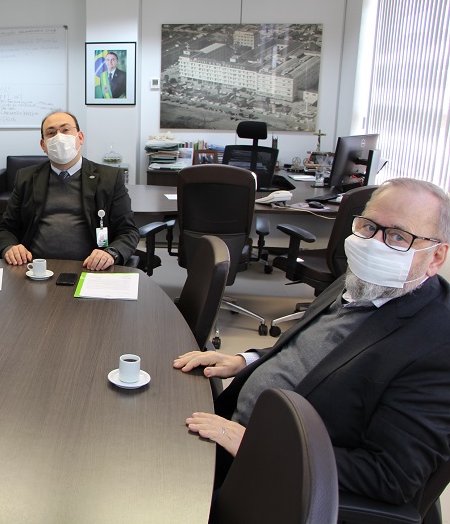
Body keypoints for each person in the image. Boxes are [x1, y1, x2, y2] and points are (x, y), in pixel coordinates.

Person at [174, 178, 450, 507]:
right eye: (368, 227)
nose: (374, 244)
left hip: (270, 475)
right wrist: (245, 360)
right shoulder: (361, 280)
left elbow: (392, 477)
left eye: (397, 237)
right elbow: (310, 348)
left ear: (436, 257)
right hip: (230, 429)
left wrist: (263, 446)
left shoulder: (437, 345)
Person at [0, 111, 139, 270]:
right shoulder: (26, 178)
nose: (59, 137)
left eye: (65, 130)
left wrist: (111, 253)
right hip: (35, 268)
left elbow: (128, 231)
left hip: (91, 268)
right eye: (51, 133)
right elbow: (6, 229)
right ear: (43, 145)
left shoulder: (110, 178)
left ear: (80, 137)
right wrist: (10, 248)